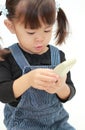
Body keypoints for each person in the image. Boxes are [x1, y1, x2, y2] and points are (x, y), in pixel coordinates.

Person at [0, 0, 76, 130]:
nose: (40, 38)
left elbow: (70, 92)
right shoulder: (7, 58)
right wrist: (28, 79)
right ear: (11, 26)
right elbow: (3, 94)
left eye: (47, 30)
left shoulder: (58, 55)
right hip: (23, 125)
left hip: (57, 122)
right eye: (31, 32)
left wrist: (60, 87)